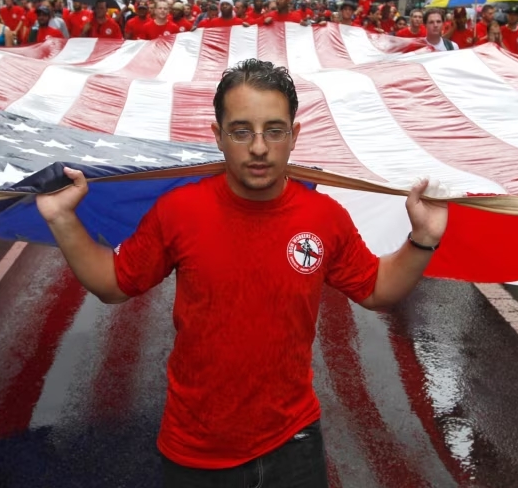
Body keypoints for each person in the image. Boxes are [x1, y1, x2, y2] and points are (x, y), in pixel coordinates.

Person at [35, 58, 447, 486]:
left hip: (293, 443)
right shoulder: (179, 211)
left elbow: (377, 289)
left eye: (274, 130)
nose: (258, 148)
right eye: (241, 131)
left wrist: (423, 238)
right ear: (218, 136)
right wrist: (63, 219)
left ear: (294, 136)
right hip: (195, 450)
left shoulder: (325, 216)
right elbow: (114, 284)